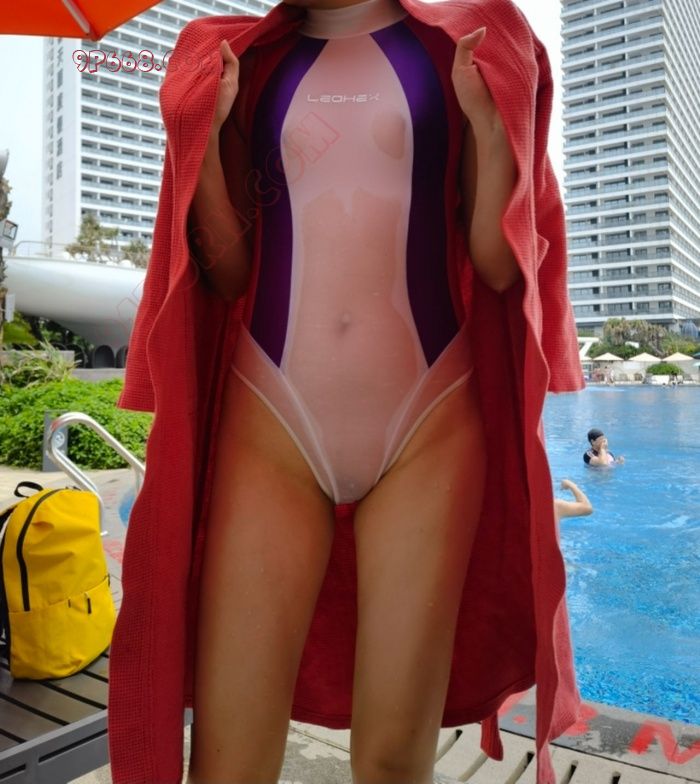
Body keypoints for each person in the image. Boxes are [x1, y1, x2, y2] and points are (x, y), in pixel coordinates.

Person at [107, 1, 584, 782]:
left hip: (429, 424)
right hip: (271, 422)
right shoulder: (236, 64)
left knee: (394, 763)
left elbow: (499, 267)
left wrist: (489, 122)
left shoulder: (467, 45)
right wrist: (202, 135)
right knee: (226, 766)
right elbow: (226, 271)